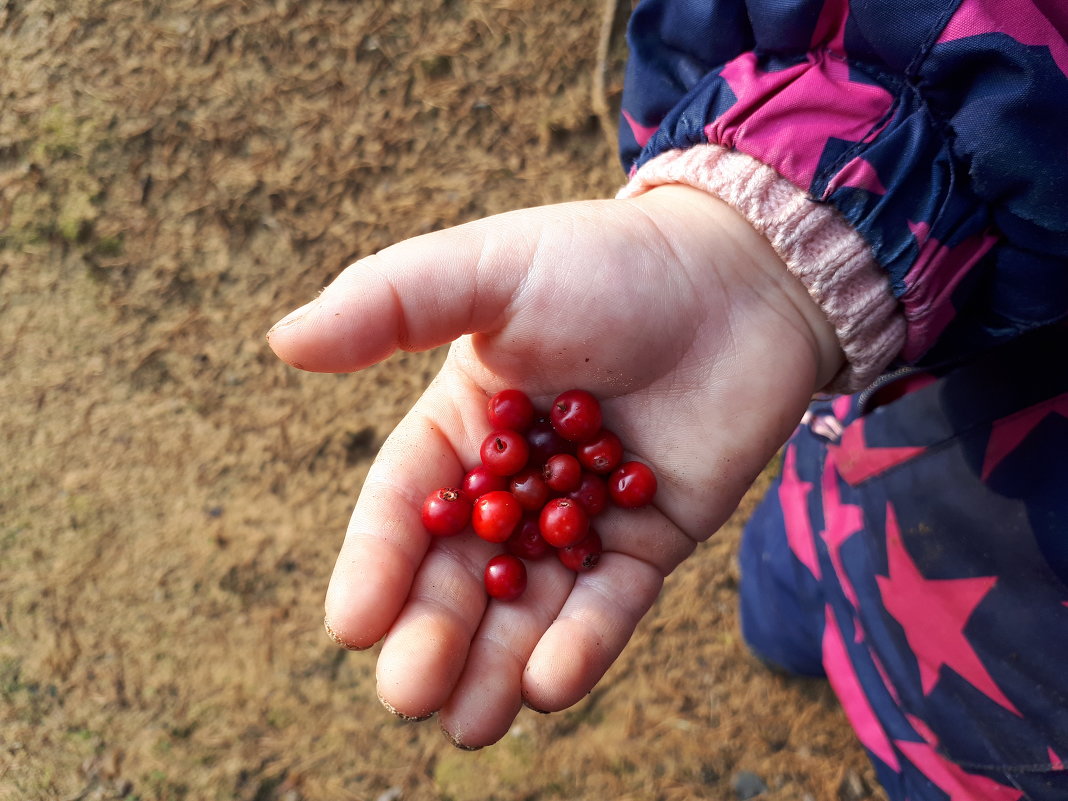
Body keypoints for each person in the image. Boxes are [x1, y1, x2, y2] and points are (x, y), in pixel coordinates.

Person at [266, 0, 1068, 797]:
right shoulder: (572, 463)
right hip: (905, 427)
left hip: (1014, 714)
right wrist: (759, 227)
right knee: (793, 588)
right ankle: (801, 609)